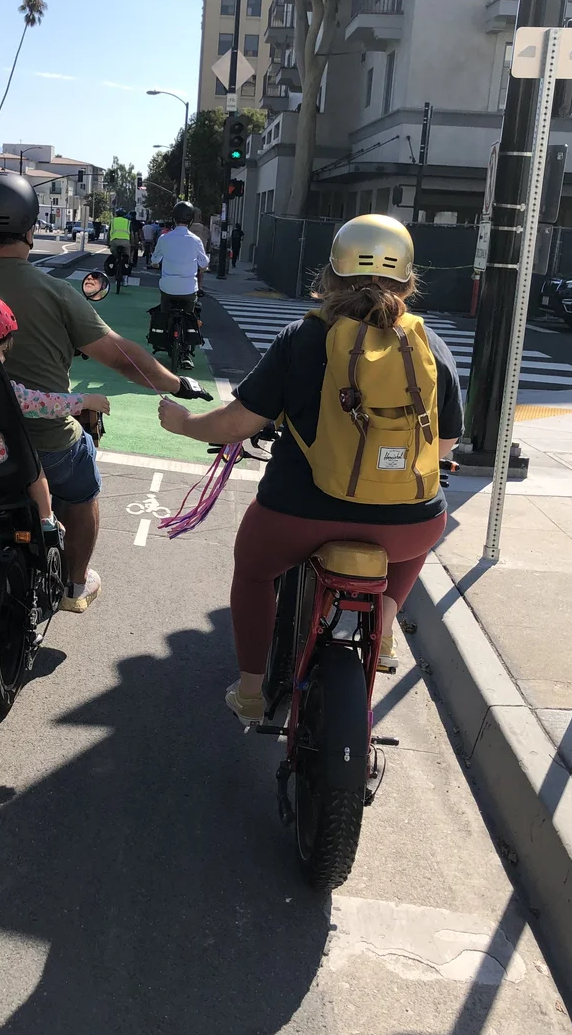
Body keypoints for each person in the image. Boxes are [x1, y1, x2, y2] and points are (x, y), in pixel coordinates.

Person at [157, 215, 463, 720]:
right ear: (409, 281)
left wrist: (184, 424)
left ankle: (252, 692)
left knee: (254, 573)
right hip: (405, 527)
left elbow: (236, 423)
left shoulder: (302, 337)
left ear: (330, 276)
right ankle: (382, 624)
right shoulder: (430, 345)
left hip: (299, 513)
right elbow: (445, 440)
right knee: (423, 533)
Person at [0, 172, 193, 613]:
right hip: (42, 445)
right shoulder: (56, 292)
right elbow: (121, 358)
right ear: (28, 227)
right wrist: (176, 383)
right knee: (82, 488)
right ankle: (74, 585)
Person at [0, 291, 110, 533]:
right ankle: (47, 522)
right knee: (34, 470)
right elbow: (44, 405)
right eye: (3, 351)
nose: (4, 358)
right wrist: (86, 400)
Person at [150, 201, 209, 371]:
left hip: (168, 288)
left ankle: (164, 340)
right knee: (191, 316)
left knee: (165, 311)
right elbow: (204, 263)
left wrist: (156, 264)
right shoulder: (196, 240)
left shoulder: (164, 238)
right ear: (190, 220)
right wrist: (203, 266)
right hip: (189, 289)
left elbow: (155, 260)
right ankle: (187, 354)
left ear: (174, 218)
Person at [107, 209, 132, 274]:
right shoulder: (128, 222)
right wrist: (132, 243)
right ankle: (126, 266)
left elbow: (108, 233)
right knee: (127, 255)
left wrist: (108, 243)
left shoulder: (113, 221)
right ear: (124, 215)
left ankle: (113, 266)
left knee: (114, 255)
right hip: (126, 242)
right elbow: (131, 234)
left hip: (114, 242)